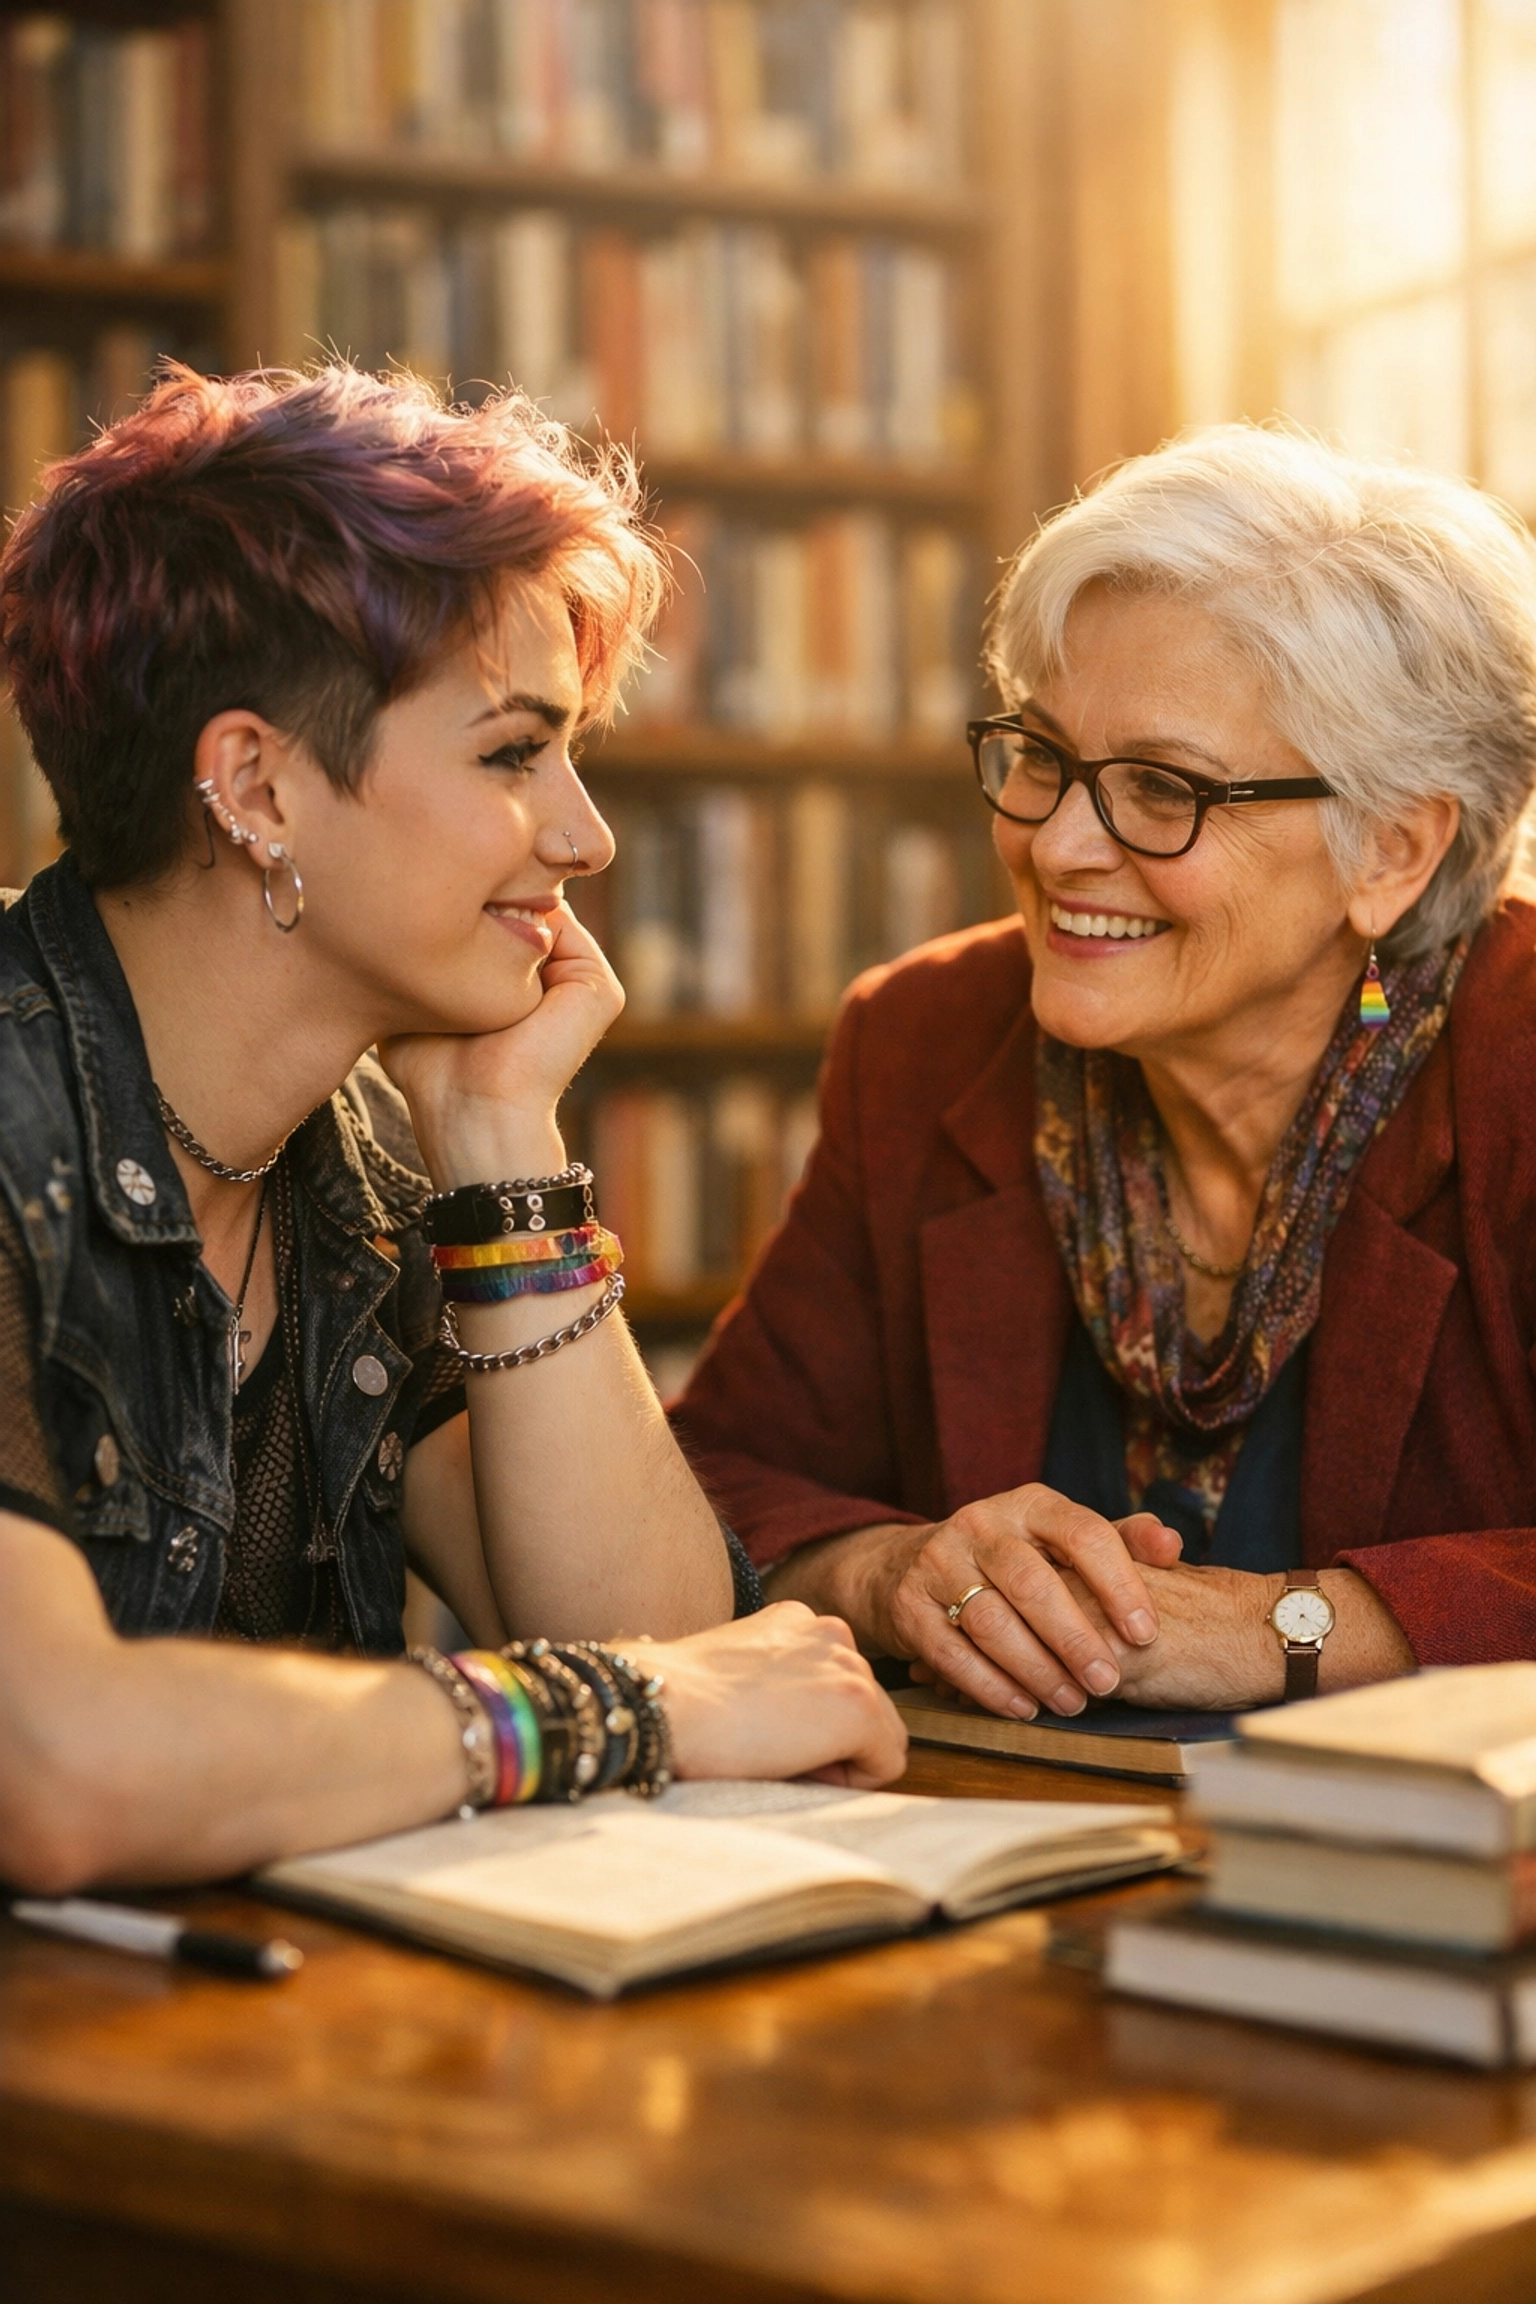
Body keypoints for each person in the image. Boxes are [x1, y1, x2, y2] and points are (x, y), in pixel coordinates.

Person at [0, 362, 905, 1896]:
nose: (586, 834)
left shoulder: (356, 1151)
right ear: (255, 788)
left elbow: (690, 1659)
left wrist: (499, 1143)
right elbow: (53, 1766)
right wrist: (607, 1709)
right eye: (509, 754)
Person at [673, 423, 1536, 1721]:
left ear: (1394, 852)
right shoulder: (927, 1041)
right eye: (1042, 757)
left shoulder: (1516, 1060)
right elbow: (720, 1473)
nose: (1061, 844)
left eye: (1161, 789)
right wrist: (890, 1570)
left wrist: (1293, 1627)